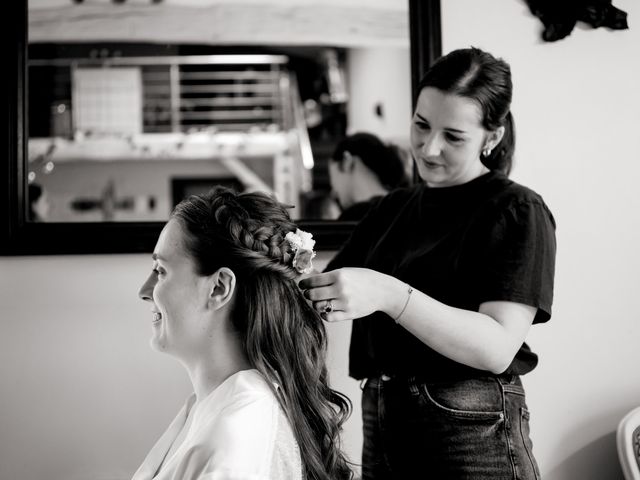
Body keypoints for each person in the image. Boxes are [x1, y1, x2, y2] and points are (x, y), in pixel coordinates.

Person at [300, 47, 556, 479]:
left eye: (453, 136)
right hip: (381, 417)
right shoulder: (390, 209)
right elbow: (321, 291)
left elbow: (496, 348)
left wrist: (388, 294)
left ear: (491, 138)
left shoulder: (515, 210)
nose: (429, 147)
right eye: (421, 125)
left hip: (469, 429)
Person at [135, 187, 353, 480]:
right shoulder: (218, 404)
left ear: (219, 288)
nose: (144, 292)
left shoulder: (235, 436)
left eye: (160, 271)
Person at [329, 132, 410, 221]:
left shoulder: (354, 216)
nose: (333, 191)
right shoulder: (406, 207)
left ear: (347, 162)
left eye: (333, 177)